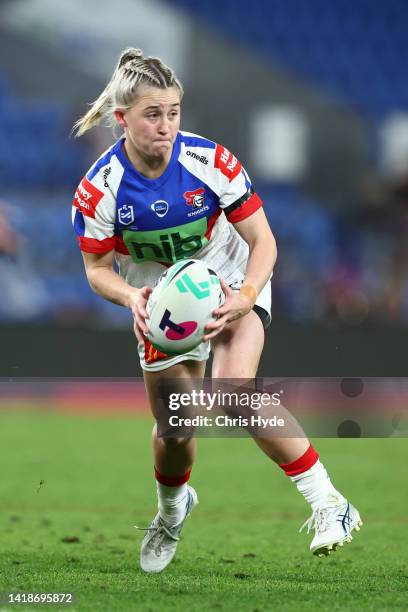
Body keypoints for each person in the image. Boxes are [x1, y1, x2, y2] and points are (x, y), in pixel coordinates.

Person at [72, 48, 362, 573]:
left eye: (174, 112)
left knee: (233, 393)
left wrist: (247, 295)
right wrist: (130, 297)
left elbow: (265, 241)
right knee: (176, 429)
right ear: (122, 119)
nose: (166, 125)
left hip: (230, 281)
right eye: (152, 114)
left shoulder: (209, 162)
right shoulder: (100, 190)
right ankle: (172, 511)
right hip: (160, 304)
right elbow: (96, 271)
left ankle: (329, 503)